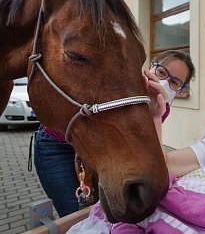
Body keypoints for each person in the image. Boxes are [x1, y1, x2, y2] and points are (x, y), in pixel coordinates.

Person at [33, 50, 195, 217]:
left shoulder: (161, 107)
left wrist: (154, 115)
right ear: (150, 67)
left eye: (175, 82)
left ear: (180, 89)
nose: (165, 82)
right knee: (73, 214)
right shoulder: (121, 83)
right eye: (161, 72)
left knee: (96, 212)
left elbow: (146, 150)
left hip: (97, 152)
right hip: (57, 145)